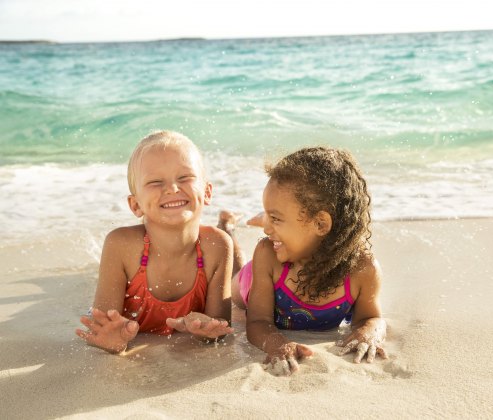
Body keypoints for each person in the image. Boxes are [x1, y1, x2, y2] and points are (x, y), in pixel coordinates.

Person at [75, 131, 234, 353]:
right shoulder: (121, 245)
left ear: (207, 191)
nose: (172, 188)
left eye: (184, 177)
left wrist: (204, 329)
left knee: (237, 261)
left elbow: (220, 328)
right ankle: (226, 222)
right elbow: (102, 327)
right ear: (135, 205)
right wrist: (113, 342)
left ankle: (227, 225)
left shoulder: (217, 246)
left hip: (218, 244)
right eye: (155, 182)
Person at [235, 146, 387, 375]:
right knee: (232, 273)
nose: (266, 230)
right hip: (249, 282)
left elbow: (372, 318)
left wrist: (369, 332)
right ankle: (227, 228)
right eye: (269, 217)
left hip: (285, 250)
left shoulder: (362, 270)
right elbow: (257, 322)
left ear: (320, 224)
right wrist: (277, 344)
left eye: (275, 218)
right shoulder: (267, 254)